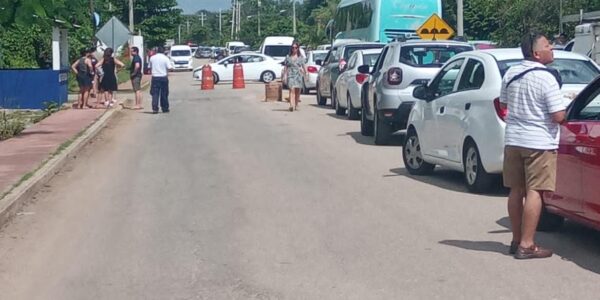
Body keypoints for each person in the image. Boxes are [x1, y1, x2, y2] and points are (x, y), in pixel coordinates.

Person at [499, 32, 566, 259]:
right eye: (548, 45)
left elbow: (504, 103)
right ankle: (528, 245)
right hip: (539, 142)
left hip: (513, 140)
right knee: (535, 191)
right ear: (537, 53)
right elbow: (558, 116)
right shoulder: (546, 78)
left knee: (516, 190)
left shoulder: (511, 73)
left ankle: (516, 240)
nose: (552, 49)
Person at [148, 46, 173, 114]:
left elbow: (149, 67)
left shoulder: (152, 58)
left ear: (157, 51)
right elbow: (170, 68)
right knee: (164, 93)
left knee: (155, 93)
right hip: (163, 77)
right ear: (164, 51)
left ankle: (155, 108)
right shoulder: (165, 58)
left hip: (155, 77)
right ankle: (164, 108)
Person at [283, 41, 306, 112]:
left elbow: (304, 66)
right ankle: (291, 105)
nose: (294, 49)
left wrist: (306, 74)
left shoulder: (300, 57)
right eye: (293, 48)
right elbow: (286, 66)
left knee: (297, 91)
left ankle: (296, 104)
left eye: (296, 48)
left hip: (298, 74)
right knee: (291, 89)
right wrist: (284, 75)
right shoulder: (288, 57)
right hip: (291, 74)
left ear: (298, 48)